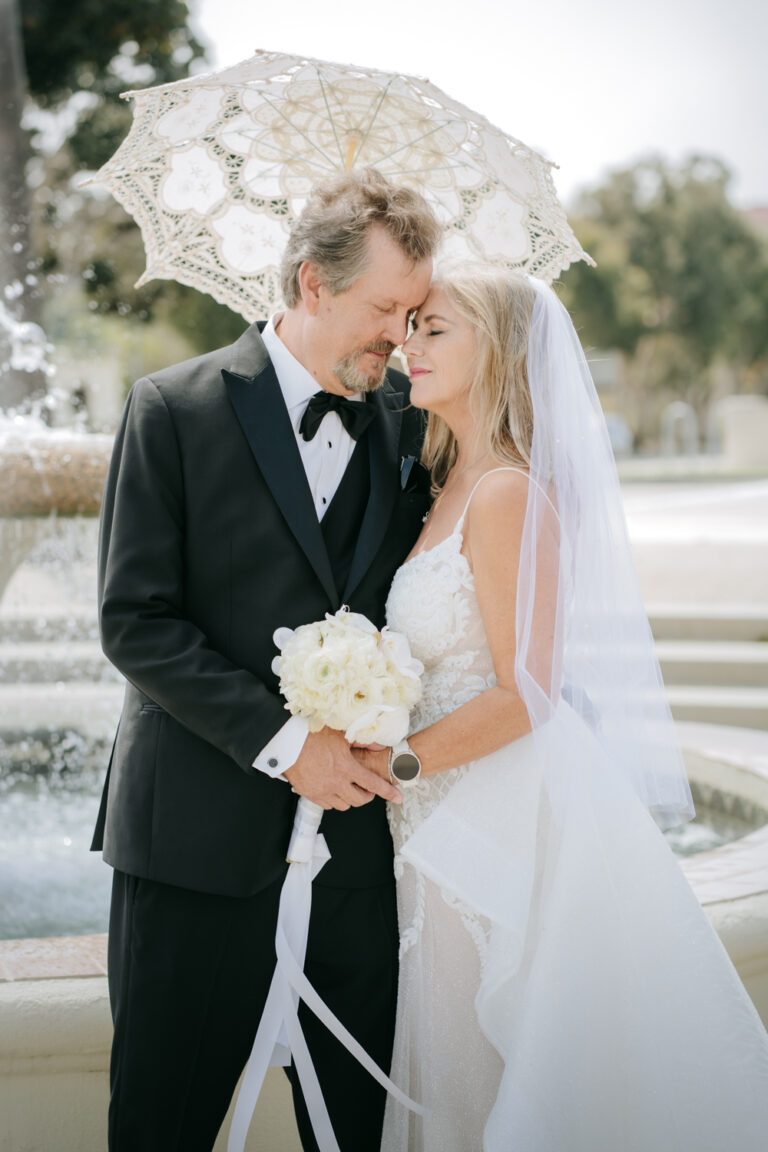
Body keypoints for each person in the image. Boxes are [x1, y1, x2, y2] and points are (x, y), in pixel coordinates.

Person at [352, 267, 768, 1151]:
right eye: (410, 329)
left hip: (490, 810)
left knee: (480, 1073)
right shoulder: (443, 486)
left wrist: (396, 762)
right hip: (436, 809)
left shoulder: (504, 492)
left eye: (435, 330)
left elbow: (527, 691)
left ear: (496, 352)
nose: (408, 347)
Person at [91, 167, 440, 1152]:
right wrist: (289, 742)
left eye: (417, 313)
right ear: (311, 284)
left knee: (360, 1131)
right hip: (194, 849)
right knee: (163, 1126)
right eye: (384, 309)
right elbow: (135, 621)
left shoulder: (416, 424)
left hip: (358, 865)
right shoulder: (173, 408)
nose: (401, 337)